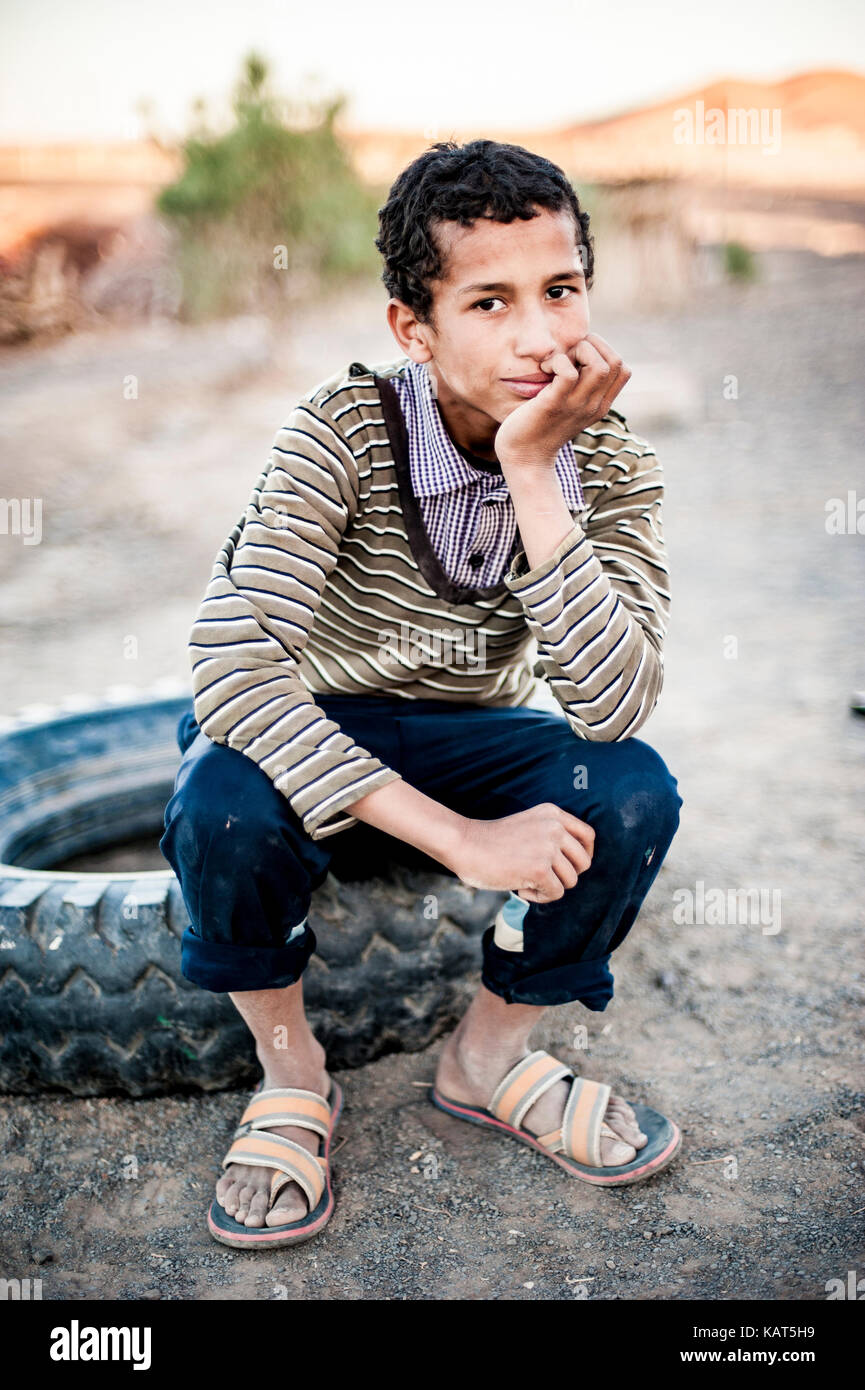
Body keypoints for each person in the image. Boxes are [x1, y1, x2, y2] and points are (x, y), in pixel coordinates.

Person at [160, 138, 684, 1249]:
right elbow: (232, 670)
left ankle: (486, 1058)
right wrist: (463, 842)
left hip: (468, 729)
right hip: (318, 716)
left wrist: (537, 473)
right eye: (489, 302)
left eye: (560, 290)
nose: (540, 337)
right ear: (414, 326)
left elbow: (613, 704)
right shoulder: (342, 432)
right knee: (222, 803)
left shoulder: (610, 457)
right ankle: (293, 1073)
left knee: (630, 789)